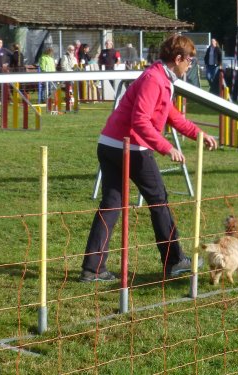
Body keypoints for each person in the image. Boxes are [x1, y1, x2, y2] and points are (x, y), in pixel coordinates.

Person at [80, 34, 218, 282]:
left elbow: (172, 115)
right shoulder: (154, 79)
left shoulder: (161, 77)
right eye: (190, 60)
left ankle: (93, 268)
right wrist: (166, 147)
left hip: (110, 144)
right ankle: (174, 261)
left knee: (111, 204)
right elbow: (140, 121)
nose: (191, 65)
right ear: (178, 58)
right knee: (158, 200)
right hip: (130, 148)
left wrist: (199, 134)